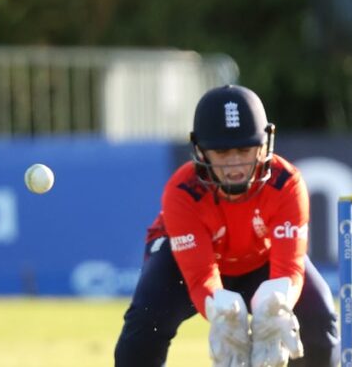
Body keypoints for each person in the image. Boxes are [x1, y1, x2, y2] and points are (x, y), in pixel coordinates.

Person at [115, 84, 339, 367]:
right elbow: (200, 276)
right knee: (146, 319)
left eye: (244, 149)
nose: (234, 164)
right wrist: (218, 309)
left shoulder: (286, 183)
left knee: (320, 320)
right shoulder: (182, 191)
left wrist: (278, 302)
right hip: (185, 262)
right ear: (201, 151)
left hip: (262, 259)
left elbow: (288, 268)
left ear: (263, 145)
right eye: (221, 152)